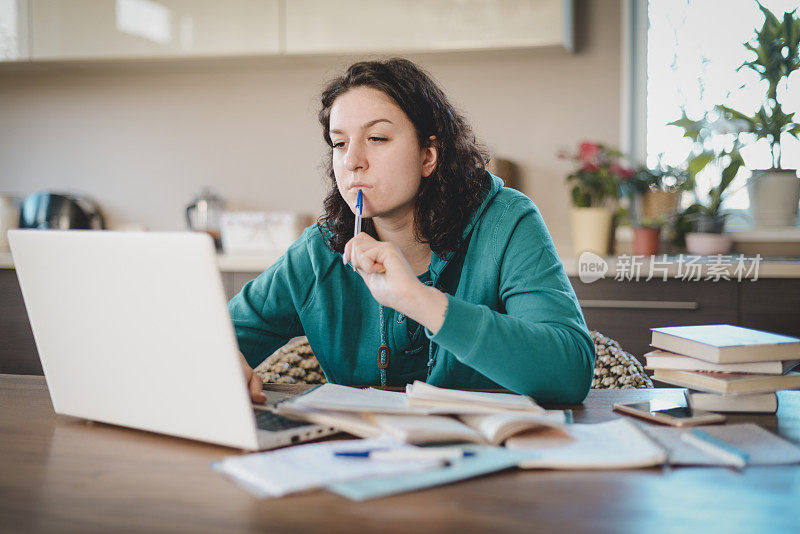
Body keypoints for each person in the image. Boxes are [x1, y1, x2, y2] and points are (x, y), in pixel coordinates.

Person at [229, 58, 596, 404]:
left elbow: (569, 373)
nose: (352, 161)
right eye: (339, 143)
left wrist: (417, 299)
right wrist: (223, 360)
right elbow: (208, 339)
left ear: (427, 156)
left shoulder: (507, 221)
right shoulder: (320, 251)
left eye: (377, 138)